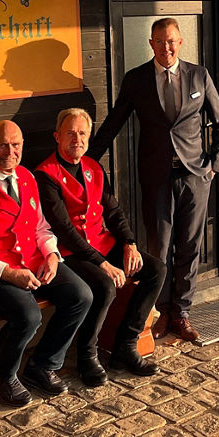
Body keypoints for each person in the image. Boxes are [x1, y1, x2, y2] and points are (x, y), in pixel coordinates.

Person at [89, 17, 219, 342]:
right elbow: (114, 122)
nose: (166, 47)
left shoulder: (199, 76)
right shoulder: (136, 79)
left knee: (190, 246)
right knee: (159, 248)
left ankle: (182, 313)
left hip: (195, 176)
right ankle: (162, 311)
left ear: (180, 43)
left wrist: (213, 167)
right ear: (151, 44)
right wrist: (87, 159)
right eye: (160, 41)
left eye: (171, 41)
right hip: (156, 178)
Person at [0, 120, 93, 408]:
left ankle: (42, 366)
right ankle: (1, 376)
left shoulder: (26, 177)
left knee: (80, 295)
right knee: (28, 315)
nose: (9, 152)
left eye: (15, 145)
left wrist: (51, 255)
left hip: (30, 263)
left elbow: (40, 227)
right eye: (2, 145)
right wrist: (8, 273)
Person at [35, 108, 164, 384]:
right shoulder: (45, 175)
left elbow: (114, 212)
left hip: (102, 243)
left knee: (156, 270)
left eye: (82, 133)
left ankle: (125, 345)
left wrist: (129, 243)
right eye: (70, 133)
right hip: (70, 253)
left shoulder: (94, 167)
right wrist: (103, 264)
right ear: (57, 136)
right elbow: (64, 230)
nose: (77, 139)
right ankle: (87, 355)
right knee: (104, 286)